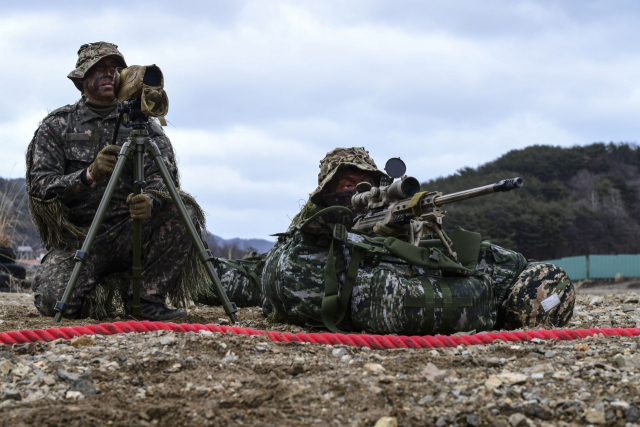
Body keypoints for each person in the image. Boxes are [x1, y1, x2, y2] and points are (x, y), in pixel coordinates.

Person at [211, 147, 574, 335]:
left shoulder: (392, 225)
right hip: (294, 264)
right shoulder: (304, 248)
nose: (358, 192)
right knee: (227, 278)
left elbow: (500, 264)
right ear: (324, 196)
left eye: (367, 184)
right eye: (347, 186)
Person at [26, 42, 208, 320]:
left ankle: (146, 299)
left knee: (185, 210)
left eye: (115, 68)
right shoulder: (57, 126)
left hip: (130, 232)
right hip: (79, 237)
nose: (110, 74)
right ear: (82, 78)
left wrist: (151, 202)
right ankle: (98, 294)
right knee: (54, 302)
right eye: (100, 68)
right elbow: (40, 186)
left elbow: (165, 184)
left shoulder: (143, 126)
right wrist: (87, 175)